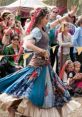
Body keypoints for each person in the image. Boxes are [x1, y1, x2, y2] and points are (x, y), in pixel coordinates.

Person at [0, 7, 80, 117]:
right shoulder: (37, 31)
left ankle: (17, 109)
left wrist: (69, 14)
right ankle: (14, 108)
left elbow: (57, 22)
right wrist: (41, 51)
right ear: (40, 18)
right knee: (31, 90)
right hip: (37, 66)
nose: (48, 19)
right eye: (46, 17)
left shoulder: (43, 28)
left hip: (45, 67)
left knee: (39, 91)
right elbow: (28, 44)